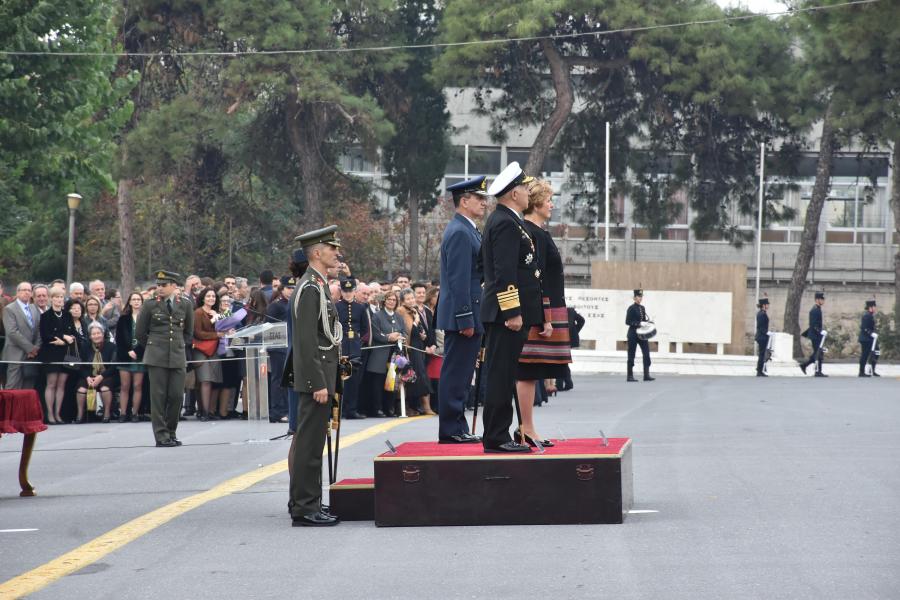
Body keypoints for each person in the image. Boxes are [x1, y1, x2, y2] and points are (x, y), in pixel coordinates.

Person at [480, 162, 542, 453]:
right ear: (514, 193)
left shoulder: (508, 219)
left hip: (508, 312)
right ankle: (496, 436)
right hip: (507, 315)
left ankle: (498, 433)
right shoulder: (504, 222)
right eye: (526, 188)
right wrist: (512, 312)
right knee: (500, 376)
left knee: (503, 374)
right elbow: (504, 271)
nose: (529, 193)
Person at [286, 225, 343, 527]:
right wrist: (317, 382)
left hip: (321, 373)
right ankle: (305, 508)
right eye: (332, 248)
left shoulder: (316, 284)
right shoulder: (310, 287)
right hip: (315, 379)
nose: (337, 252)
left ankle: (307, 502)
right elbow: (306, 341)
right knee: (309, 446)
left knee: (312, 443)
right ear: (317, 253)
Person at [515, 178, 571, 446]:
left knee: (534, 372)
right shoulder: (531, 233)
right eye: (549, 200)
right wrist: (546, 316)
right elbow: (536, 280)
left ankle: (528, 427)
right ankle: (526, 428)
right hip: (539, 312)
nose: (552, 204)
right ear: (536, 203)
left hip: (545, 309)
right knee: (528, 371)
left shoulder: (538, 232)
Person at [437, 176, 488, 444]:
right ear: (464, 201)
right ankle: (450, 429)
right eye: (479, 198)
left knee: (462, 372)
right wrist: (465, 317)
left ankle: (457, 426)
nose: (484, 202)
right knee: (456, 372)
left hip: (468, 312)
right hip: (462, 314)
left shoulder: (467, 229)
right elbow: (458, 281)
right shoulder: (459, 231)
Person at [135, 271, 194, 447]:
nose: (160, 288)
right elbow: (140, 333)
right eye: (158, 285)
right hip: (156, 356)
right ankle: (161, 436)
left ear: (174, 286)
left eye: (164, 285)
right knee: (158, 397)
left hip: (177, 355)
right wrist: (154, 347)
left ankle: (171, 432)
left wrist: (178, 346)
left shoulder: (184, 304)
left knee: (176, 396)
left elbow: (189, 333)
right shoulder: (150, 305)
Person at [367, 290, 406, 417]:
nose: (391, 302)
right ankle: (377, 409)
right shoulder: (377, 315)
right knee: (378, 382)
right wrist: (389, 337)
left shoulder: (399, 317)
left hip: (394, 354)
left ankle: (389, 408)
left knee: (392, 381)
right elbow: (376, 334)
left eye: (394, 300)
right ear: (384, 301)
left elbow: (404, 333)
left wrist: (399, 336)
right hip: (380, 353)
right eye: (389, 299)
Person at [39, 288, 75, 423]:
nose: (59, 299)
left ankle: (58, 413)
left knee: (61, 384)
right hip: (51, 353)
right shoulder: (46, 316)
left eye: (61, 297)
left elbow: (72, 333)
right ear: (51, 298)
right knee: (51, 384)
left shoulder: (67, 315)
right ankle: (49, 414)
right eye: (56, 297)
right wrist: (60, 338)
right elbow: (45, 335)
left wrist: (65, 340)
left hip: (66, 353)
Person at [335, 277, 370, 420]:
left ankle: (351, 409)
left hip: (354, 347)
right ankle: (339, 410)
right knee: (340, 380)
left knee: (354, 381)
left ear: (354, 291)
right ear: (341, 292)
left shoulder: (360, 307)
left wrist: (357, 341)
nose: (348, 294)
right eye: (345, 291)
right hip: (341, 346)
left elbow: (364, 328)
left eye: (350, 291)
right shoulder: (336, 307)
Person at [285, 248, 309, 434]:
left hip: (300, 360)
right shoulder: (305, 290)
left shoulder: (303, 287)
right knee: (300, 430)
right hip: (303, 362)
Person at [398, 288, 433, 416]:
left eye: (412, 298)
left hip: (419, 346)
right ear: (402, 301)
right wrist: (416, 322)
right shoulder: (401, 311)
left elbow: (420, 330)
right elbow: (408, 331)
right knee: (413, 378)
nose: (411, 300)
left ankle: (420, 407)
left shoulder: (414, 310)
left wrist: (422, 334)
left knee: (420, 377)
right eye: (408, 299)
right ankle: (412, 407)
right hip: (410, 348)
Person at [1, 282, 41, 390]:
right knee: (13, 387)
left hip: (32, 356)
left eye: (29, 290)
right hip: (15, 354)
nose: (26, 292)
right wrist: (30, 348)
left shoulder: (34, 308)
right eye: (23, 290)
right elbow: (12, 332)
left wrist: (36, 348)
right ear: (17, 292)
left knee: (28, 388)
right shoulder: (10, 309)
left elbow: (39, 330)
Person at [193, 287, 224, 421]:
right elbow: (198, 333)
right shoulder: (198, 313)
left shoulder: (216, 313)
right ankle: (204, 412)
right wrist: (216, 335)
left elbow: (223, 326)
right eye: (208, 296)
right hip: (201, 350)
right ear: (203, 298)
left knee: (213, 380)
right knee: (204, 380)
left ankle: (209, 411)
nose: (211, 298)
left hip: (214, 349)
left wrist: (218, 319)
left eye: (213, 296)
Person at [75, 322, 118, 423]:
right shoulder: (85, 347)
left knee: (105, 388)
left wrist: (101, 377)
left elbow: (113, 366)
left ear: (103, 334)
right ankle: (80, 415)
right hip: (89, 376)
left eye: (98, 333)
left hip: (106, 375)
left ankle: (106, 413)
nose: (96, 336)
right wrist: (87, 377)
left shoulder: (111, 346)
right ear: (90, 336)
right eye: (93, 334)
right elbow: (80, 365)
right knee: (81, 389)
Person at [266, 277, 294, 423]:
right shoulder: (276, 306)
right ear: (282, 289)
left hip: (290, 347)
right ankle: (277, 411)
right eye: (289, 288)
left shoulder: (294, 304)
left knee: (288, 380)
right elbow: (267, 326)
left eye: (293, 288)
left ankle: (287, 409)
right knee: (278, 380)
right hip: (278, 348)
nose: (291, 291)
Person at [116, 292, 146, 422]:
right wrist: (128, 351)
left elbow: (147, 337)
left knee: (137, 385)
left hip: (140, 356)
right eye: (133, 299)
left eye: (138, 299)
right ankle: (123, 413)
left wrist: (137, 351)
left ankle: (135, 413)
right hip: (125, 356)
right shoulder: (123, 319)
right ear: (129, 302)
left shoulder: (146, 319)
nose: (136, 301)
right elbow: (119, 339)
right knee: (125, 385)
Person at [625, 289, 654, 382]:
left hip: (642, 334)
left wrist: (647, 323)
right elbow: (627, 322)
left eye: (641, 297)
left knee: (646, 353)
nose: (640, 298)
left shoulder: (642, 308)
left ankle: (646, 375)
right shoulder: (631, 308)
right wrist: (639, 324)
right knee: (631, 354)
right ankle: (630, 376)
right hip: (633, 334)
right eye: (638, 296)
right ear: (634, 298)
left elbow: (644, 320)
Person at [800, 291, 826, 377]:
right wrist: (819, 331)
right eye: (822, 299)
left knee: (818, 353)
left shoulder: (817, 309)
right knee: (818, 353)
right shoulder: (815, 310)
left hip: (816, 334)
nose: (823, 301)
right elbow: (813, 324)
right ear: (817, 300)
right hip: (815, 335)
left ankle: (807, 366)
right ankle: (816, 371)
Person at [858, 299, 878, 377]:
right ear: (870, 307)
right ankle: (861, 372)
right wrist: (871, 333)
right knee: (865, 355)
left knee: (876, 352)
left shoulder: (870, 315)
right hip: (865, 339)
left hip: (870, 339)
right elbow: (864, 328)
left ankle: (872, 370)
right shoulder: (866, 315)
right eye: (874, 307)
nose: (875, 308)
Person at [755, 296, 770, 377]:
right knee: (762, 354)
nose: (768, 305)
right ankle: (759, 371)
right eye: (767, 304)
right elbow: (761, 327)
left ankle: (760, 369)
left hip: (762, 336)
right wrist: (767, 333)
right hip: (762, 337)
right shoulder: (761, 314)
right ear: (764, 305)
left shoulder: (762, 313)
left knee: (762, 354)